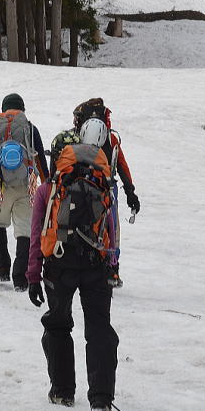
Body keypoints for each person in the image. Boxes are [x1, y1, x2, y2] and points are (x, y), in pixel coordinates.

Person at [27, 118, 119, 411]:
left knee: (57, 325)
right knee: (99, 330)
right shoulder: (102, 183)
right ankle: (101, 400)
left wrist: (32, 276)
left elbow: (37, 234)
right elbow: (112, 229)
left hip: (58, 263)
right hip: (95, 263)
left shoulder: (46, 191)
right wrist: (111, 265)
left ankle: (63, 391)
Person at [0, 93, 49, 290]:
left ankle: (1, 270)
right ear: (22, 108)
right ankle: (20, 277)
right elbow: (39, 159)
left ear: (4, 108)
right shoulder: (30, 128)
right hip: (26, 186)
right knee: (24, 232)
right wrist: (47, 185)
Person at [72, 98, 140, 287]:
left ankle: (79, 264)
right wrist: (130, 192)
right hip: (108, 188)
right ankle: (112, 269)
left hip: (80, 186)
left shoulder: (77, 135)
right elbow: (122, 166)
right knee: (111, 228)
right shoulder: (111, 139)